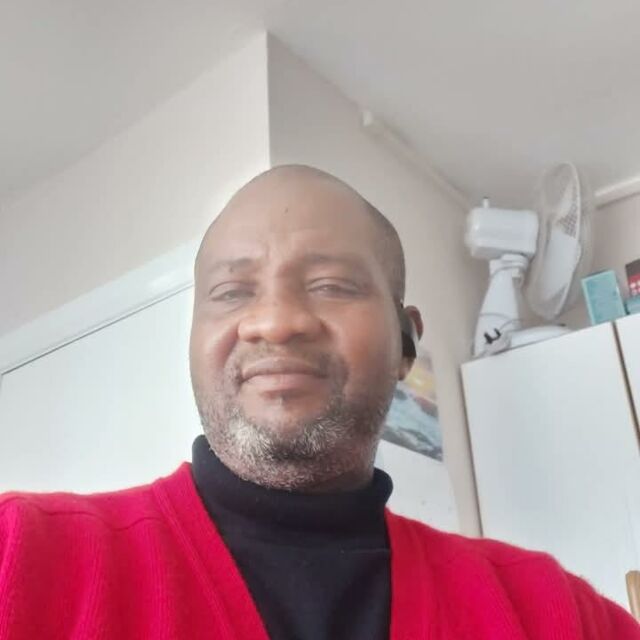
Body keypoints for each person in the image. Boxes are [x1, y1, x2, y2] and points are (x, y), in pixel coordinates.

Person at [0, 165, 638, 640]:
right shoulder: (20, 555)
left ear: (406, 341)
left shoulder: (551, 612)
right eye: (231, 292)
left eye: (331, 285)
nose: (275, 322)